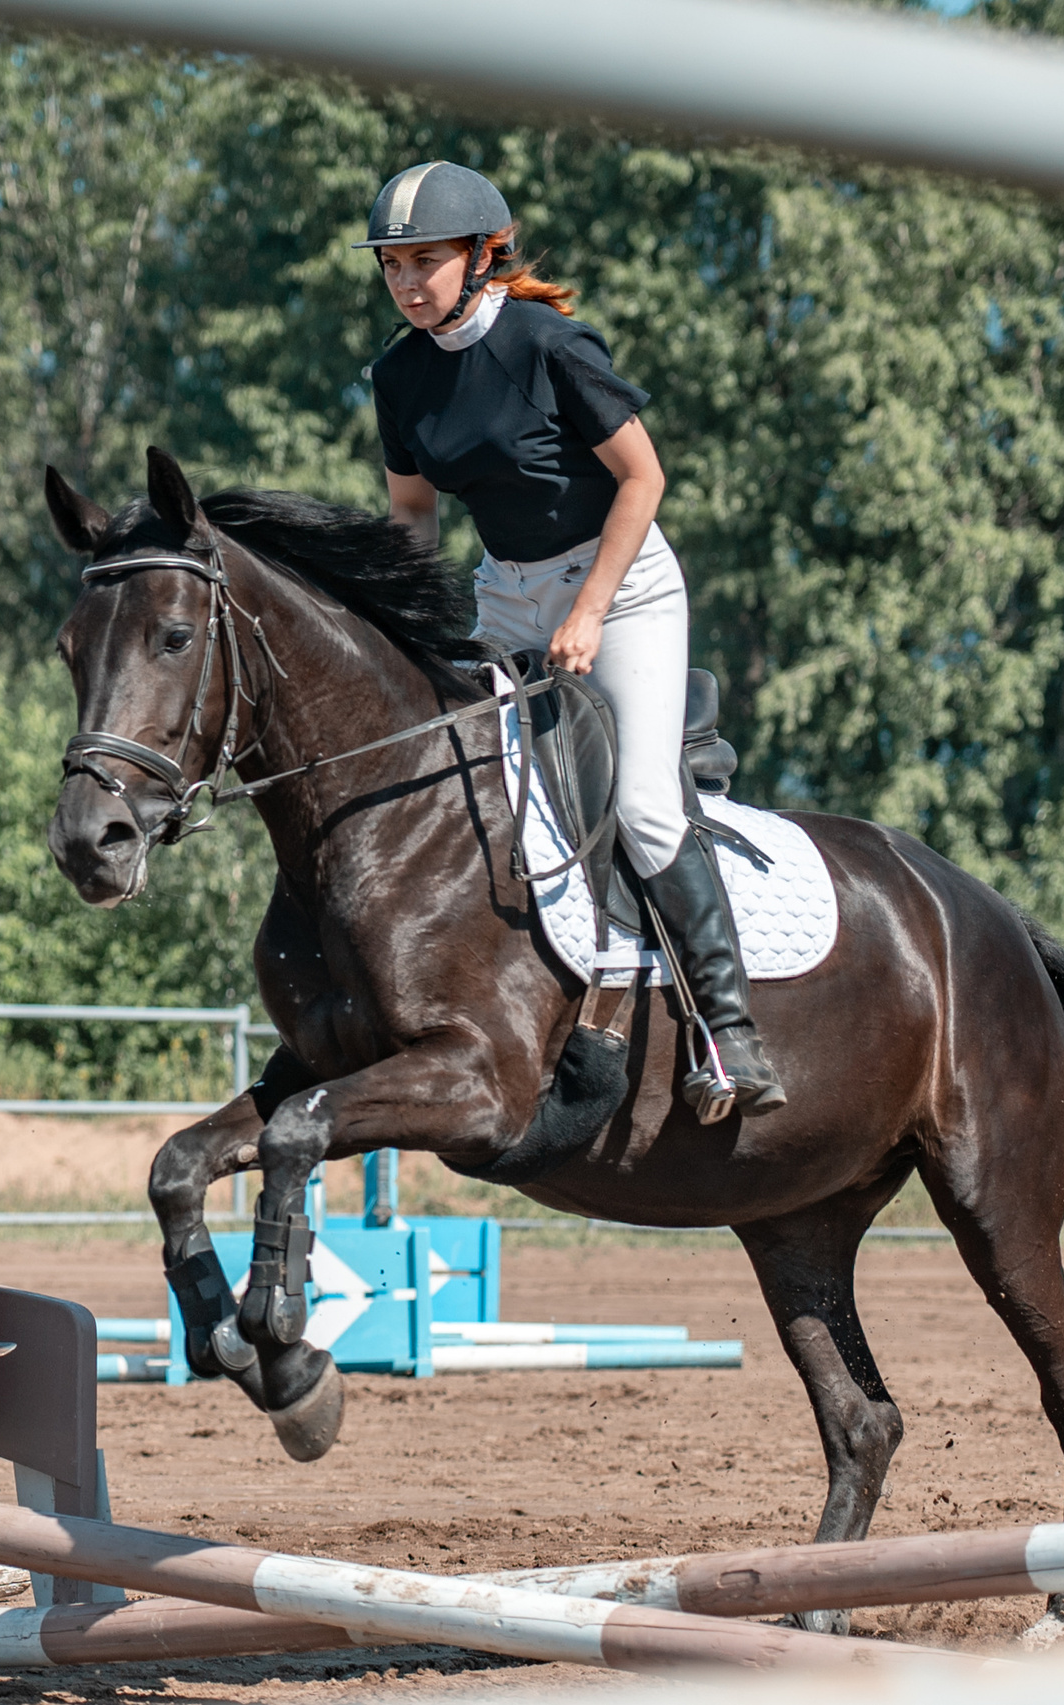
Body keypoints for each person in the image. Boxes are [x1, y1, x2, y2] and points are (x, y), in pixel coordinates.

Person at [357, 160, 784, 1117]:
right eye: (392, 265)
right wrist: (408, 624)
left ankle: (731, 1035)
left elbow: (644, 479)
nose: (407, 282)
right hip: (504, 595)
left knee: (640, 807)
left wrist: (590, 609)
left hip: (622, 583)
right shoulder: (398, 374)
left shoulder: (549, 345)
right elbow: (413, 515)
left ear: (481, 256)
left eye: (426, 260)